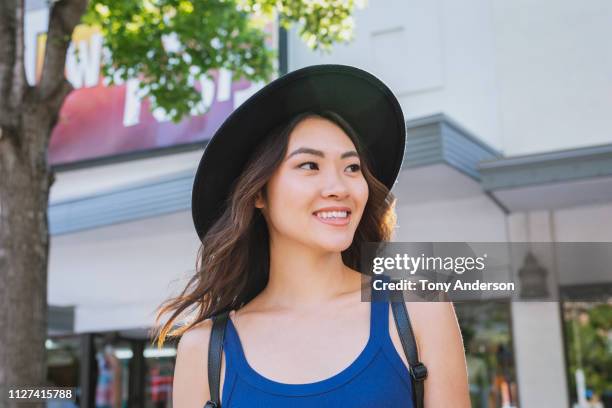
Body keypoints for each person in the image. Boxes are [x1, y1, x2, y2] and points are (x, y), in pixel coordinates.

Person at [153, 64, 470, 407]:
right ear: (258, 192)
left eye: (352, 167)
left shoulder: (419, 311)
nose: (339, 187)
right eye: (310, 166)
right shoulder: (205, 350)